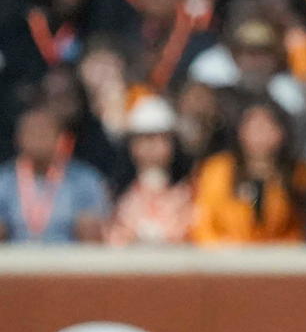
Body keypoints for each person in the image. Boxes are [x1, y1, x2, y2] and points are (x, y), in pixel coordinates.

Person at [192, 98, 306, 245]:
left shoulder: (299, 173)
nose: (259, 134)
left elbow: (302, 226)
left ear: (282, 132)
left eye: (266, 126)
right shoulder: (218, 169)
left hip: (279, 259)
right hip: (225, 258)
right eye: (253, 126)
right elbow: (203, 223)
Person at [0, 107, 110, 243]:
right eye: (31, 134)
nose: (38, 140)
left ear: (60, 138)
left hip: (68, 260)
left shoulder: (84, 179)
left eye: (44, 134)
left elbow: (91, 237)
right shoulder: (4, 180)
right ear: (18, 139)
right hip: (15, 261)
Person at [107, 96, 193, 246]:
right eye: (146, 138)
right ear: (132, 145)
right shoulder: (118, 196)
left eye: (162, 138)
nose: (153, 146)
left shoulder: (189, 194)